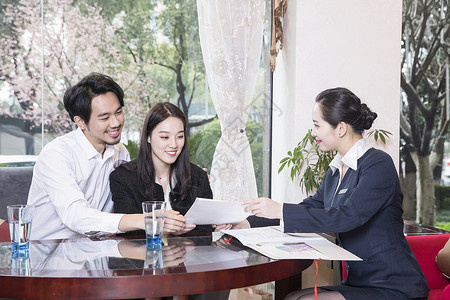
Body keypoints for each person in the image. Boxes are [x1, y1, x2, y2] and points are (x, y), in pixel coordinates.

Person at [242, 87, 429, 300]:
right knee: (292, 297)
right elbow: (309, 207)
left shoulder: (378, 165)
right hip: (358, 282)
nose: (313, 133)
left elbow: (347, 216)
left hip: (394, 285)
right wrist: (248, 223)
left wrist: (280, 209)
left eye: (316, 125)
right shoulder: (335, 172)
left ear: (340, 129)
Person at [27, 73, 145, 240]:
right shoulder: (56, 154)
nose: (116, 123)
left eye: (118, 112)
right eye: (105, 117)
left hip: (96, 252)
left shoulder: (120, 151)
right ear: (80, 121)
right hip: (49, 253)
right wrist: (143, 220)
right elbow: (75, 215)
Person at [110, 102, 231, 235]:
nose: (173, 144)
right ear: (148, 137)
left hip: (190, 255)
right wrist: (169, 231)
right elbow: (127, 234)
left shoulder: (197, 176)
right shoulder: (123, 177)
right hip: (145, 255)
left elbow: (205, 231)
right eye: (164, 137)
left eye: (179, 136)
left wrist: (218, 227)